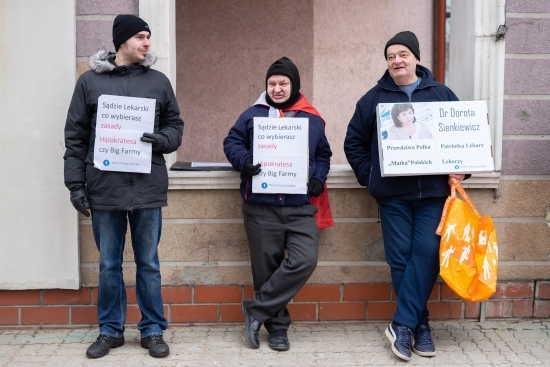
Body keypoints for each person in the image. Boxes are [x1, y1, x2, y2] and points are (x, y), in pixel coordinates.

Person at [63, 14, 184, 359]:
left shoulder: (158, 81)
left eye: (149, 37)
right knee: (108, 264)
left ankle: (152, 329)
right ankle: (110, 331)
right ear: (123, 41)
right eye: (142, 37)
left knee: (149, 263)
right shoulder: (89, 83)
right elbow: (76, 137)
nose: (148, 43)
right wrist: (75, 184)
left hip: (146, 187)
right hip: (105, 188)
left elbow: (176, 125)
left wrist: (162, 139)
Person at [343, 31, 466, 361]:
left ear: (415, 58)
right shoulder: (373, 99)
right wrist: (372, 177)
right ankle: (419, 325)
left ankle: (402, 324)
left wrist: (461, 169)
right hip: (393, 196)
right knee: (400, 258)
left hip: (432, 194)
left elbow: (463, 137)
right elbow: (353, 144)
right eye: (390, 56)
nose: (397, 60)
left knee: (426, 252)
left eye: (403, 54)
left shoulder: (441, 94)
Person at [223, 56, 331, 351]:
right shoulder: (251, 115)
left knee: (305, 259)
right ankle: (278, 329)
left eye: (283, 83)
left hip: (299, 207)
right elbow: (231, 143)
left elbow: (323, 154)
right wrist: (244, 162)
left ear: (294, 85)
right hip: (260, 206)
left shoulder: (312, 118)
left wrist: (318, 179)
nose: (277, 88)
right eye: (272, 83)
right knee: (265, 270)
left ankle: (255, 309)